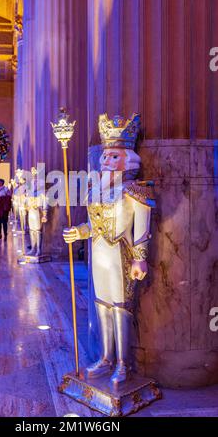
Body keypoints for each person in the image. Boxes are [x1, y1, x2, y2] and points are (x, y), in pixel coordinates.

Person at [63, 113, 155, 386]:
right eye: (105, 156)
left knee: (120, 307)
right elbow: (93, 225)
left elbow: (142, 228)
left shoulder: (136, 192)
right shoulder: (96, 191)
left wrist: (141, 260)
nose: (106, 161)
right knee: (101, 304)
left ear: (128, 160)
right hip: (98, 254)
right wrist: (79, 232)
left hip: (120, 255)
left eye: (114, 156)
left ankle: (123, 364)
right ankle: (105, 357)